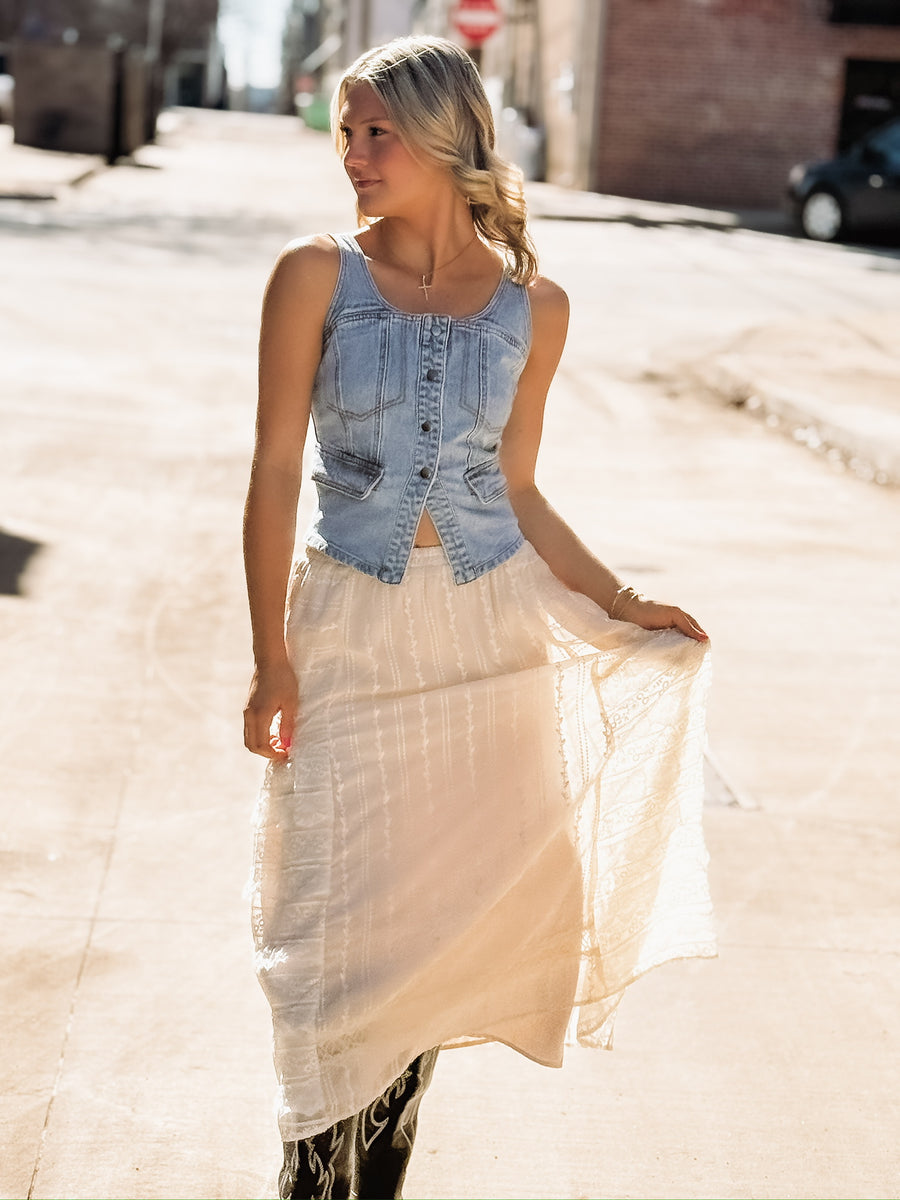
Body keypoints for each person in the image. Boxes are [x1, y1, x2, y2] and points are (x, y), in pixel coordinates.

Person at [242, 35, 716, 1200]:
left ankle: (374, 1185)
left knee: (433, 949)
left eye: (375, 133)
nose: (351, 155)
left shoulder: (534, 310)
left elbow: (518, 489)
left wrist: (616, 600)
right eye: (345, 132)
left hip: (487, 641)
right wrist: (269, 661)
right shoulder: (314, 277)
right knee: (333, 952)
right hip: (349, 633)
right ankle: (311, 1183)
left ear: (446, 138)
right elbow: (268, 469)